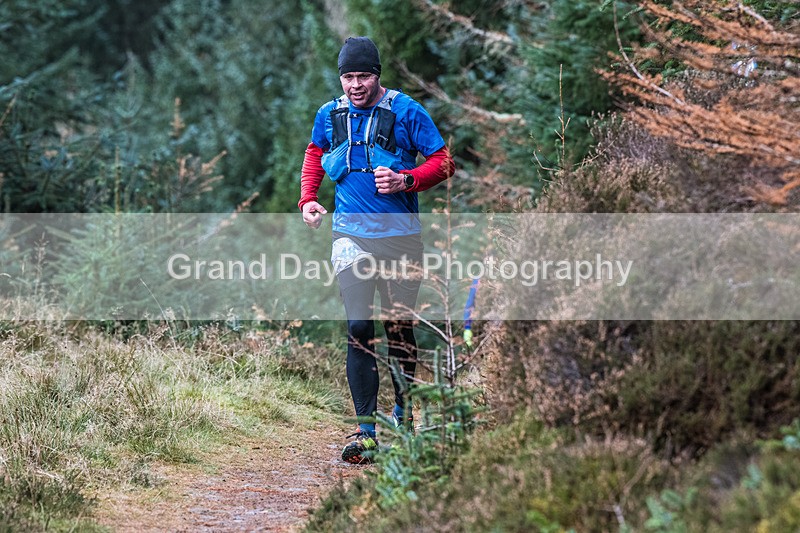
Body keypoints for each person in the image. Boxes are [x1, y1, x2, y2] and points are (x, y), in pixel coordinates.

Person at [298, 36, 455, 464]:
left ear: (377, 75)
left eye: (363, 76)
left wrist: (408, 180)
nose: (355, 84)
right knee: (358, 329)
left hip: (401, 238)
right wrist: (309, 198)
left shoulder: (406, 111)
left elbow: (443, 161)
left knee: (399, 331)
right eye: (348, 76)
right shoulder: (330, 115)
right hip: (350, 236)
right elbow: (315, 152)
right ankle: (365, 432)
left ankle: (403, 419)